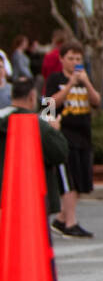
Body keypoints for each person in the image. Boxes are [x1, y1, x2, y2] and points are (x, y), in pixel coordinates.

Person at [45, 40, 101, 238]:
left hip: (84, 136)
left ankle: (61, 219)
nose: (75, 62)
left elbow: (97, 101)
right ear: (61, 59)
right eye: (71, 58)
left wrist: (85, 82)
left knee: (81, 181)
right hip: (63, 137)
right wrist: (69, 85)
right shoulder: (55, 79)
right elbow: (48, 106)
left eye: (78, 58)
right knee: (69, 181)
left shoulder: (85, 79)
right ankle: (70, 222)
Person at [0, 76, 69, 218]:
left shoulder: (3, 119)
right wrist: (55, 131)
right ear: (32, 96)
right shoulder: (39, 126)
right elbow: (60, 153)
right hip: (34, 195)